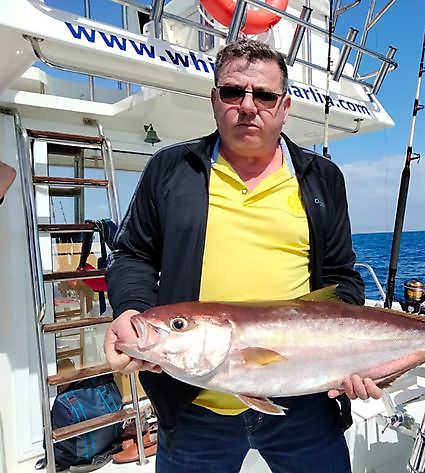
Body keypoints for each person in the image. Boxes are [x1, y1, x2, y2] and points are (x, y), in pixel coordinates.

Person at [104, 38, 382, 472]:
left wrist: (350, 356)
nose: (248, 106)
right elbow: (132, 254)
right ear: (215, 101)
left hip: (304, 400)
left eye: (265, 95)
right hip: (194, 401)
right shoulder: (171, 168)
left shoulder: (322, 177)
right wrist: (131, 309)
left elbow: (343, 276)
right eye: (233, 92)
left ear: (285, 106)